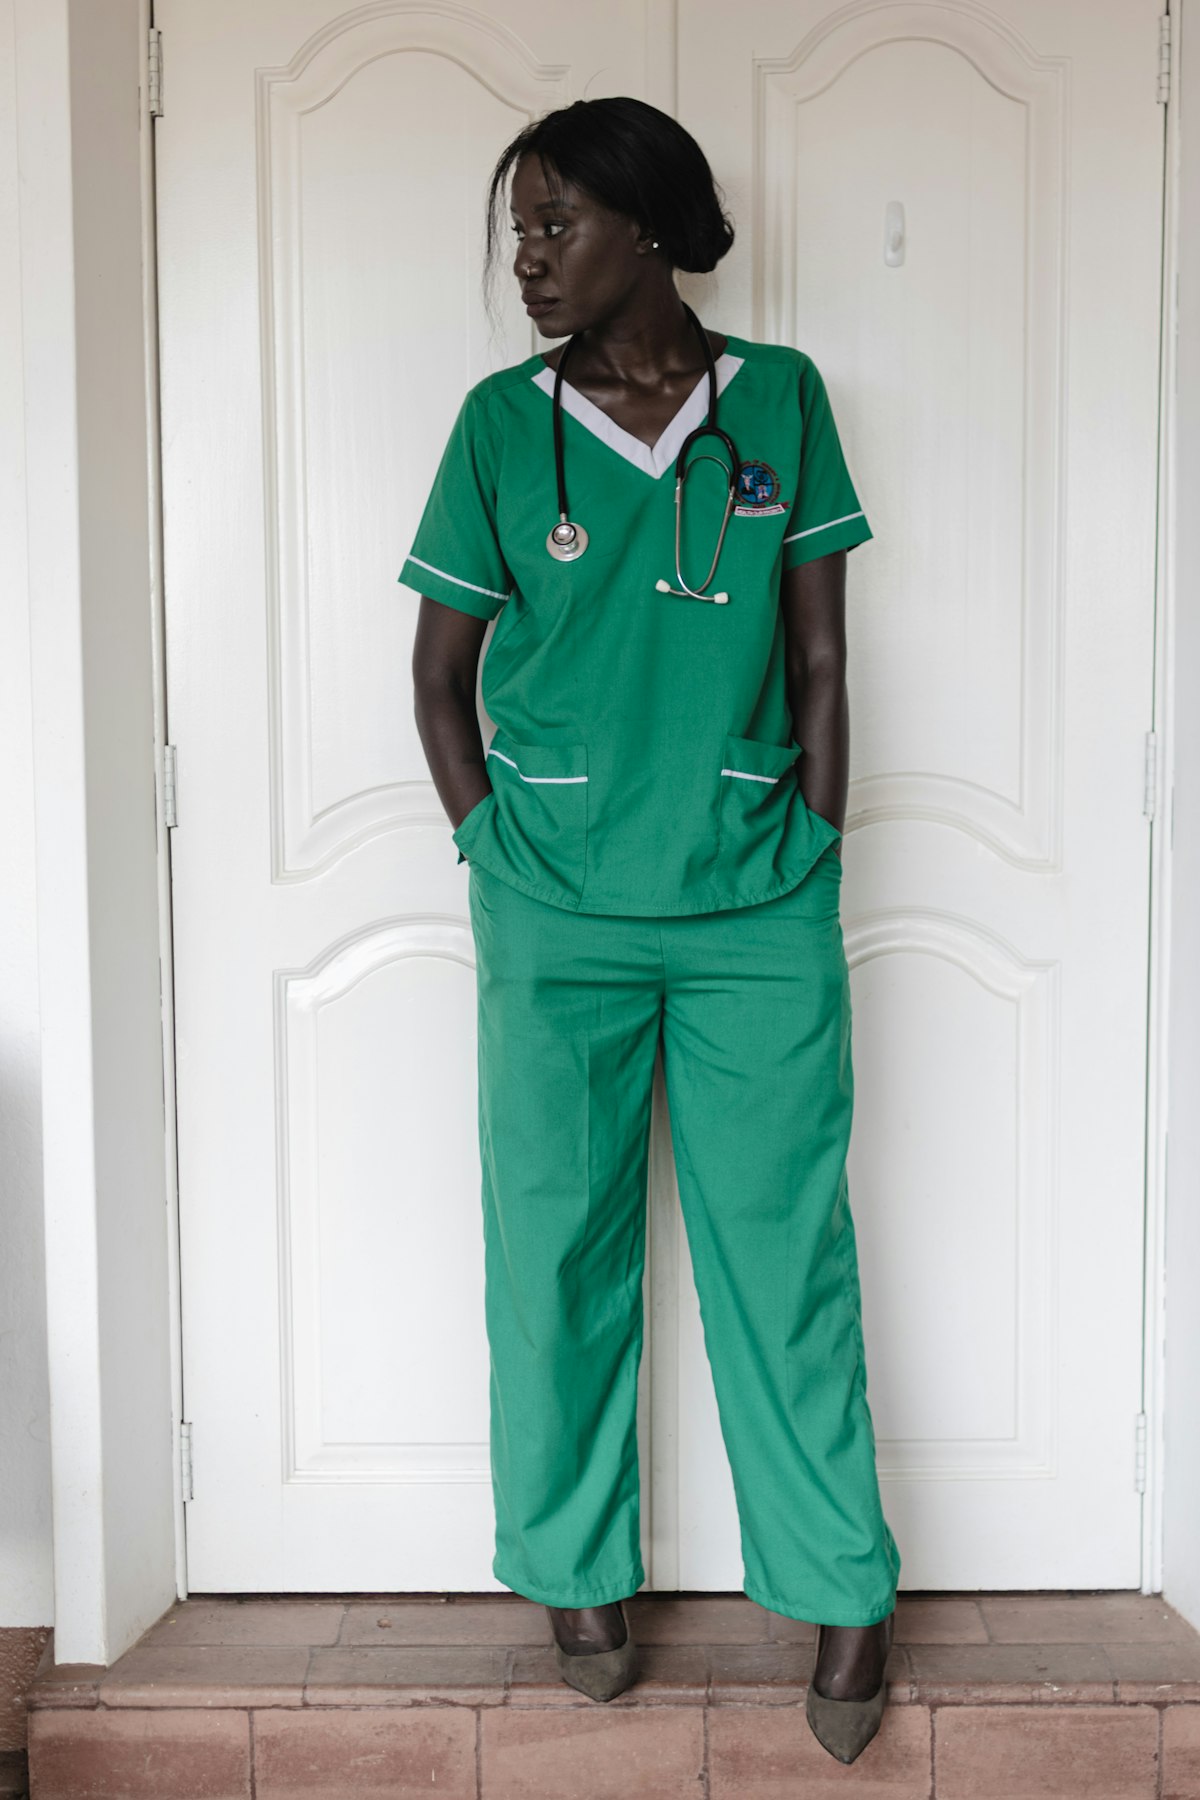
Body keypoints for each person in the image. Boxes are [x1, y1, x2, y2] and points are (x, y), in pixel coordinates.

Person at [401, 96, 900, 1764]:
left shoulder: (785, 403)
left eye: (555, 224)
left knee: (788, 1260)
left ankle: (840, 1587)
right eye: (518, 230)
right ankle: (576, 1575)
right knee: (552, 1253)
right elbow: (439, 674)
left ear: (653, 227)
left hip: (757, 905)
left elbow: (824, 657)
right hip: (556, 919)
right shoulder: (498, 425)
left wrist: (813, 843)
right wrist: (493, 846)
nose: (528, 259)